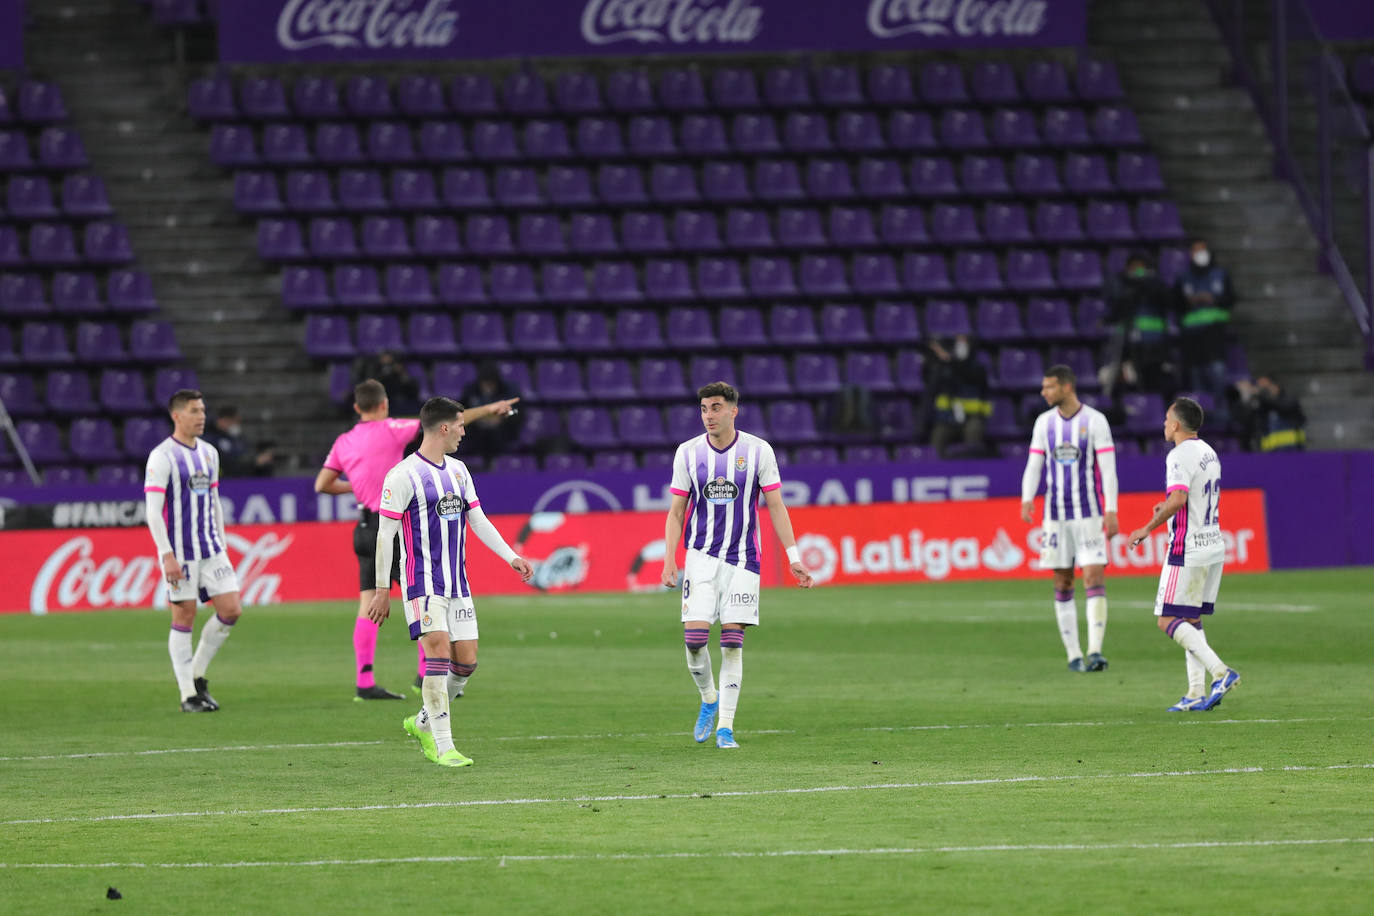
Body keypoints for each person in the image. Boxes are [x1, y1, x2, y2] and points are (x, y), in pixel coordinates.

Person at [315, 379, 519, 701]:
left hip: (365, 525)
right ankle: (429, 673)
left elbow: (322, 484)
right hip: (398, 526)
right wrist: (490, 409)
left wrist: (359, 486)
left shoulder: (343, 441)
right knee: (425, 587)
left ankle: (364, 681)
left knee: (367, 603)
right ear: (383, 404)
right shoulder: (393, 428)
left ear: (356, 408)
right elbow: (441, 423)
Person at [366, 397, 534, 768]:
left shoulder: (459, 471)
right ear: (443, 428)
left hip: (457, 583)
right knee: (437, 653)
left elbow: (478, 521)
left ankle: (424, 722)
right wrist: (382, 590)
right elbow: (385, 536)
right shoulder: (402, 476)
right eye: (459, 424)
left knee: (466, 664)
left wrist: (512, 557)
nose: (463, 430)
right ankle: (444, 746)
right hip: (421, 583)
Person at [660, 381, 815, 750]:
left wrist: (794, 558)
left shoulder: (758, 451)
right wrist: (670, 559)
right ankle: (709, 698)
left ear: (733, 410)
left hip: (744, 560)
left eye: (715, 408)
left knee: (732, 641)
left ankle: (726, 727)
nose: (708, 415)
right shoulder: (687, 453)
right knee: (695, 640)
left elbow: (776, 505)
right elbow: (676, 511)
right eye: (703, 409)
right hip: (700, 558)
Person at [1127, 397, 1240, 711]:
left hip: (1187, 549)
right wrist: (1167, 508)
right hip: (1213, 545)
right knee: (1191, 620)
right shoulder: (1209, 452)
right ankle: (1194, 694)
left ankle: (1221, 672)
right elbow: (1187, 499)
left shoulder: (1178, 454)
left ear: (1176, 424)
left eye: (1166, 419)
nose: (1164, 424)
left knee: (1167, 620)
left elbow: (1178, 498)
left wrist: (1147, 527)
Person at [142, 389, 244, 712]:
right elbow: (152, 511)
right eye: (194, 411)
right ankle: (188, 695)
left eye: (202, 410)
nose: (201, 416)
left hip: (212, 548)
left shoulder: (210, 453)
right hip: (181, 553)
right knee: (184, 615)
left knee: (231, 609)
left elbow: (214, 502)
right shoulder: (162, 457)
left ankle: (198, 675)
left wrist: (223, 544)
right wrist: (166, 555)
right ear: (177, 416)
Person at [1020, 365, 1119, 673]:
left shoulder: (1095, 421)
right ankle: (1074, 654)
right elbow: (1034, 465)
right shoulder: (1043, 423)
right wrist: (1026, 498)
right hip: (1055, 516)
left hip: (1087, 513)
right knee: (1063, 580)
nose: (1043, 392)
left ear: (1066, 387)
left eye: (1048, 386)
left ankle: (1095, 650)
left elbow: (1108, 468)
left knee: (1093, 576)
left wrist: (1111, 509)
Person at [1102, 252, 1175, 395]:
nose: (1137, 270)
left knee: (1154, 382)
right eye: (1133, 267)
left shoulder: (1156, 285)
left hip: (1155, 345)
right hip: (1129, 345)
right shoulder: (1122, 285)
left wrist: (1148, 283)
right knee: (1129, 381)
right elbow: (1117, 307)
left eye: (1140, 267)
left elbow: (1169, 301)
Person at [1174, 239, 1236, 403]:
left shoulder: (1220, 274)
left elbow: (1230, 299)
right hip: (1192, 340)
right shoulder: (1183, 278)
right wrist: (1189, 302)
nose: (1200, 254)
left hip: (1215, 336)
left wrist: (1214, 299)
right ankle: (1201, 422)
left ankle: (1222, 415)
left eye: (1202, 250)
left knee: (1217, 375)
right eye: (1196, 250)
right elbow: (1175, 304)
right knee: (1197, 381)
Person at [925, 334, 991, 458]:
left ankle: (972, 468)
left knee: (973, 431)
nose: (961, 347)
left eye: (964, 343)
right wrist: (940, 359)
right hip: (948, 418)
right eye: (958, 343)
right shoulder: (944, 367)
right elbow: (931, 382)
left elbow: (969, 374)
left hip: (973, 417)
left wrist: (949, 360)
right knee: (937, 436)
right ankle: (936, 469)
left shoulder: (978, 368)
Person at [458, 361, 524, 461]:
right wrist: (476, 418)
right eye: (485, 384)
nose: (488, 388)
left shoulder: (509, 391)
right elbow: (461, 413)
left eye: (491, 384)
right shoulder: (471, 391)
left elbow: (517, 412)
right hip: (476, 432)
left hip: (503, 432)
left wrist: (502, 418)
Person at [1234, 376, 1306, 451]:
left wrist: (1260, 394)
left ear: (1275, 386)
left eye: (1265, 387)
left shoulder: (1288, 400)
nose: (1262, 390)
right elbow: (1245, 420)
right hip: (1269, 452)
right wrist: (1246, 397)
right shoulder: (1261, 405)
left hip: (1292, 450)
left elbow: (1282, 406)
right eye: (1260, 387)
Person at [204, 405, 276, 478]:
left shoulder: (238, 438)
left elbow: (246, 452)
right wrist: (253, 463)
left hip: (244, 475)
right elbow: (225, 462)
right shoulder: (209, 439)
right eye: (235, 421)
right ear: (225, 420)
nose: (236, 425)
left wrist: (257, 460)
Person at [350, 350, 421, 415]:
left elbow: (413, 390)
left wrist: (402, 375)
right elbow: (370, 385)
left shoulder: (400, 375)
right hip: (381, 402)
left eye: (390, 363)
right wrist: (385, 373)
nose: (388, 365)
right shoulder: (374, 370)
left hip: (398, 403)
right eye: (385, 363)